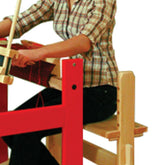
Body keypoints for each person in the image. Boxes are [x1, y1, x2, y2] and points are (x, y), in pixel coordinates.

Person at [0, 0, 118, 164]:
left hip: (100, 92)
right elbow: (21, 21)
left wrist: (38, 53)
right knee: (11, 126)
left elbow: (83, 42)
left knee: (24, 132)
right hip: (70, 85)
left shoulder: (102, 2)